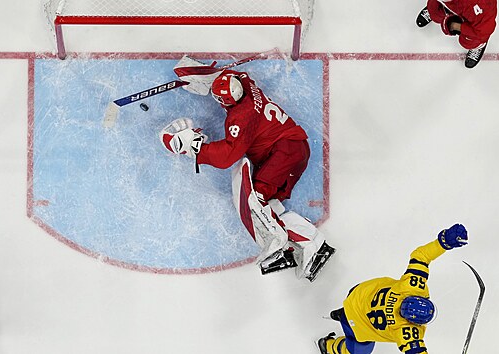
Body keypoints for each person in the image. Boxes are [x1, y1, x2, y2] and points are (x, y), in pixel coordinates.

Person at [159, 69, 335, 281]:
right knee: (267, 207)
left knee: (256, 198)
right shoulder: (247, 85)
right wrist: (203, 75)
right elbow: (233, 73)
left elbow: (227, 156)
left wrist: (198, 149)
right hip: (290, 151)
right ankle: (313, 247)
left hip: (285, 151)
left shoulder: (240, 118)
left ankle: (277, 244)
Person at [317, 223, 468, 354]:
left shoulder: (411, 286)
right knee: (359, 350)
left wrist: (443, 242)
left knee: (352, 308)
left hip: (359, 293)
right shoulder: (404, 330)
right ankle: (328, 345)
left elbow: (421, 256)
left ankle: (341, 314)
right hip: (358, 321)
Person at [416, 0, 496, 68]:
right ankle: (441, 8)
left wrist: (456, 26)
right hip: (455, 4)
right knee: (435, 12)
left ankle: (479, 45)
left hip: (475, 16)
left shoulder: (483, 6)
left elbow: (483, 30)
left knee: (472, 40)